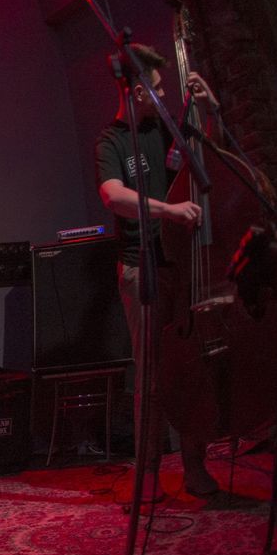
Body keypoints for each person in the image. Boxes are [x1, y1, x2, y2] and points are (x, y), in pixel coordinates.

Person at [94, 41, 220, 501]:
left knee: (191, 370)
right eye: (157, 87)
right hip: (139, 269)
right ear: (134, 90)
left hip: (178, 266)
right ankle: (147, 475)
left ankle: (194, 467)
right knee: (150, 375)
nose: (163, 93)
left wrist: (208, 111)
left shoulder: (161, 129)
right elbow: (113, 196)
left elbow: (200, 155)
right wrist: (168, 211)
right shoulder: (110, 142)